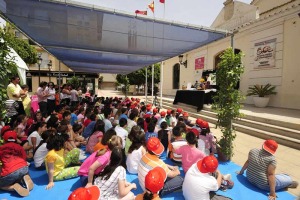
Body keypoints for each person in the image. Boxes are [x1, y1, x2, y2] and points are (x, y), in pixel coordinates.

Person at [0, 130, 34, 197]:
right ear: (15, 139)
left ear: (4, 140)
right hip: (24, 168)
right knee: (19, 170)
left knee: (2, 183)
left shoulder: (1, 149)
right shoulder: (20, 147)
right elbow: (24, 159)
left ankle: (13, 187)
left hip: (10, 171)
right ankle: (24, 178)